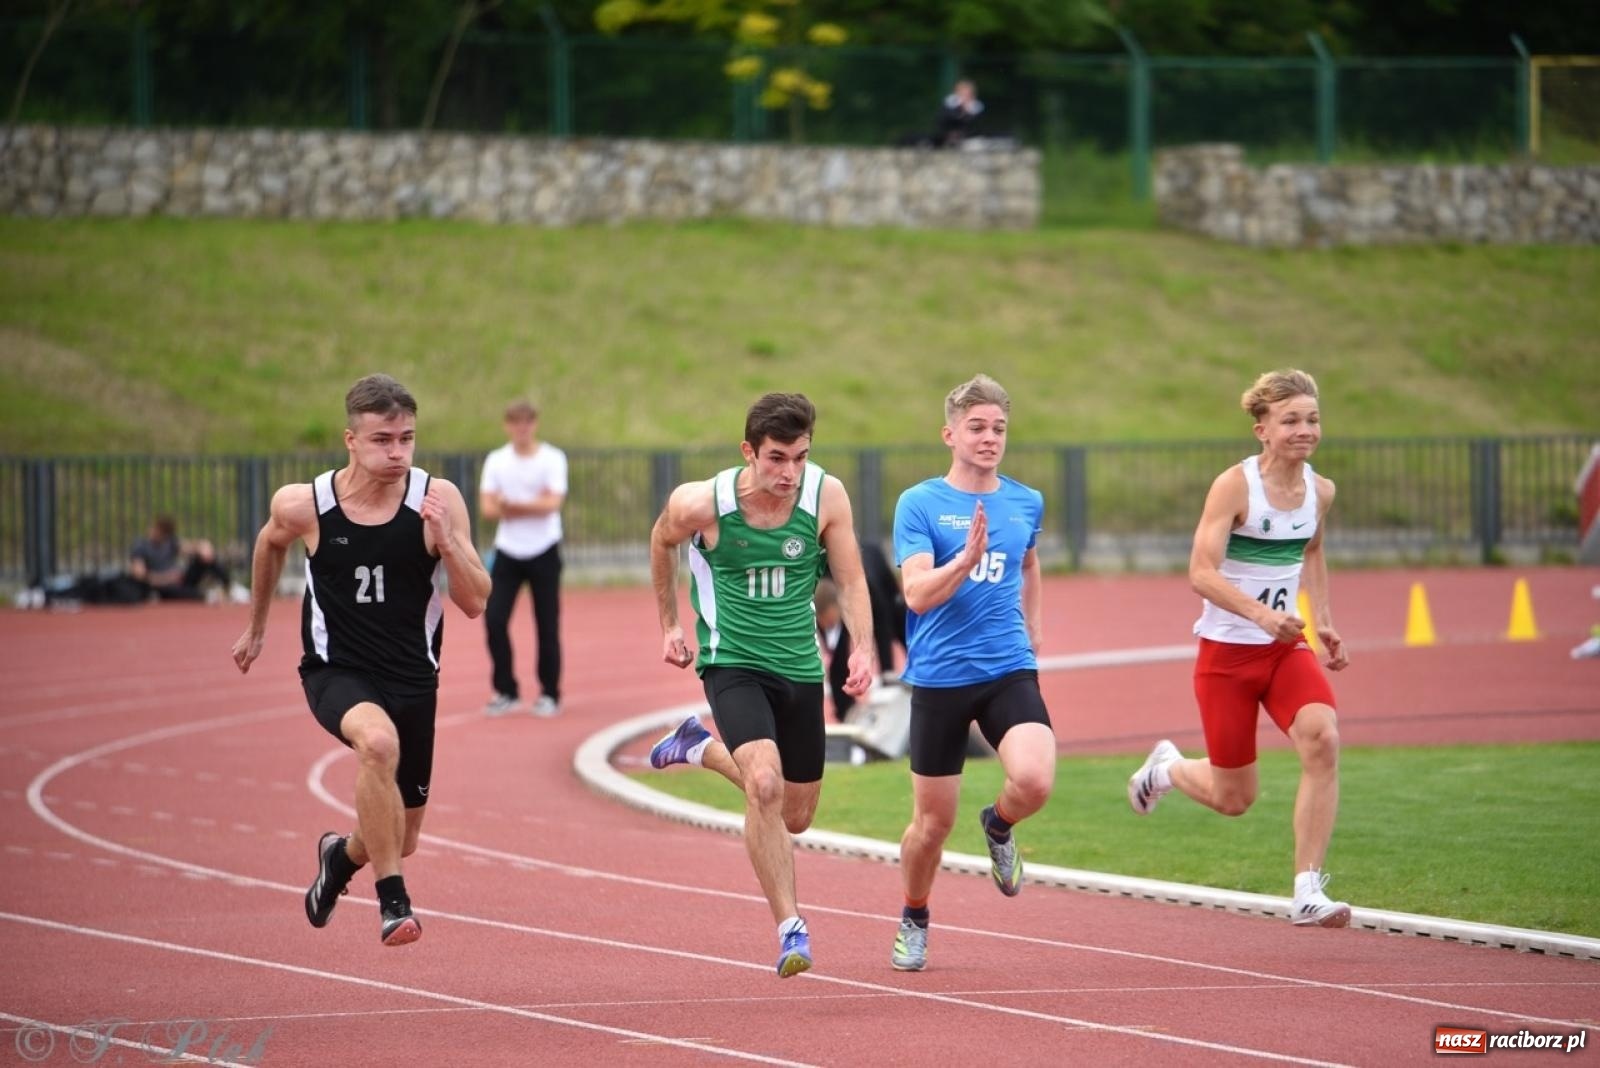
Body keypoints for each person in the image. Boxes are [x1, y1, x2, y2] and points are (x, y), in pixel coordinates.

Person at [230, 373, 490, 947]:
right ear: (351, 440)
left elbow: (475, 602)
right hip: (336, 670)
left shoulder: (438, 500)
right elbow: (269, 543)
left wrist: (446, 541)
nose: (397, 452)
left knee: (404, 836)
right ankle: (393, 903)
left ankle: (340, 857)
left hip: (413, 677)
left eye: (407, 439)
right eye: (382, 440)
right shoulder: (306, 504)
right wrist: (257, 626)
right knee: (378, 744)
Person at [644, 392, 877, 978]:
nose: (789, 472)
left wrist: (863, 647)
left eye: (800, 457)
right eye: (777, 458)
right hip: (733, 661)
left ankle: (699, 747)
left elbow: (850, 579)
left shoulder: (825, 496)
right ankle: (790, 926)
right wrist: (671, 625)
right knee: (765, 786)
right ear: (748, 452)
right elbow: (661, 540)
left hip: (799, 666)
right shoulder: (703, 503)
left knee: (796, 816)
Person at [1126, 368, 1353, 929]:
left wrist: (1322, 621)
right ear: (1262, 429)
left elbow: (1313, 550)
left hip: (1284, 651)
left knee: (1323, 739)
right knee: (1234, 798)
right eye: (1291, 420)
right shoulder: (1235, 487)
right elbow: (1201, 573)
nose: (1305, 430)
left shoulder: (1320, 491)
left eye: (1313, 419)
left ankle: (1307, 889)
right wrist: (1262, 614)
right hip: (1227, 655)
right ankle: (1167, 768)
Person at [887, 373, 1054, 972]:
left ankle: (999, 825)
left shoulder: (1025, 501)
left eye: (999, 429)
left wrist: (1033, 625)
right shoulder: (920, 503)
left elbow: (1028, 562)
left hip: (1007, 667)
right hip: (940, 678)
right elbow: (916, 593)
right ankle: (914, 915)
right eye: (977, 427)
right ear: (950, 434)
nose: (990, 438)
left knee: (1034, 780)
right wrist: (964, 562)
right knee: (932, 826)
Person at [479, 398, 569, 717]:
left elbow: (552, 504)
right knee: (494, 619)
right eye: (516, 422)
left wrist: (511, 504)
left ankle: (549, 693)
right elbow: (488, 509)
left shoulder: (552, 458)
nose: (522, 428)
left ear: (535, 424)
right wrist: (531, 503)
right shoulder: (497, 460)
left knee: (547, 624)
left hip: (544, 549)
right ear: (508, 426)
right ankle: (506, 690)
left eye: (527, 422)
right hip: (508, 550)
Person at [128, 516, 235, 602]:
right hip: (161, 585)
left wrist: (203, 547)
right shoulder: (141, 545)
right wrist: (165, 578)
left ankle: (229, 587)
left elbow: (190, 547)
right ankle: (209, 595)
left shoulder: (170, 542)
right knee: (174, 591)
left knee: (205, 558)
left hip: (179, 580)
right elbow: (139, 574)